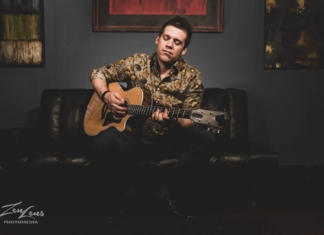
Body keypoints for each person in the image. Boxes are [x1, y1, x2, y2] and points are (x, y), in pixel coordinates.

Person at [90, 16, 217, 221]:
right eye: (166, 38)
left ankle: (169, 192)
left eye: (177, 42)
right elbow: (98, 73)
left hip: (171, 140)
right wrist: (106, 96)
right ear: (157, 39)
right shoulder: (136, 63)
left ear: (184, 49)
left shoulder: (192, 77)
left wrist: (173, 119)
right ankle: (123, 194)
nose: (170, 44)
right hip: (135, 138)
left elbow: (190, 120)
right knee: (101, 141)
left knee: (207, 139)